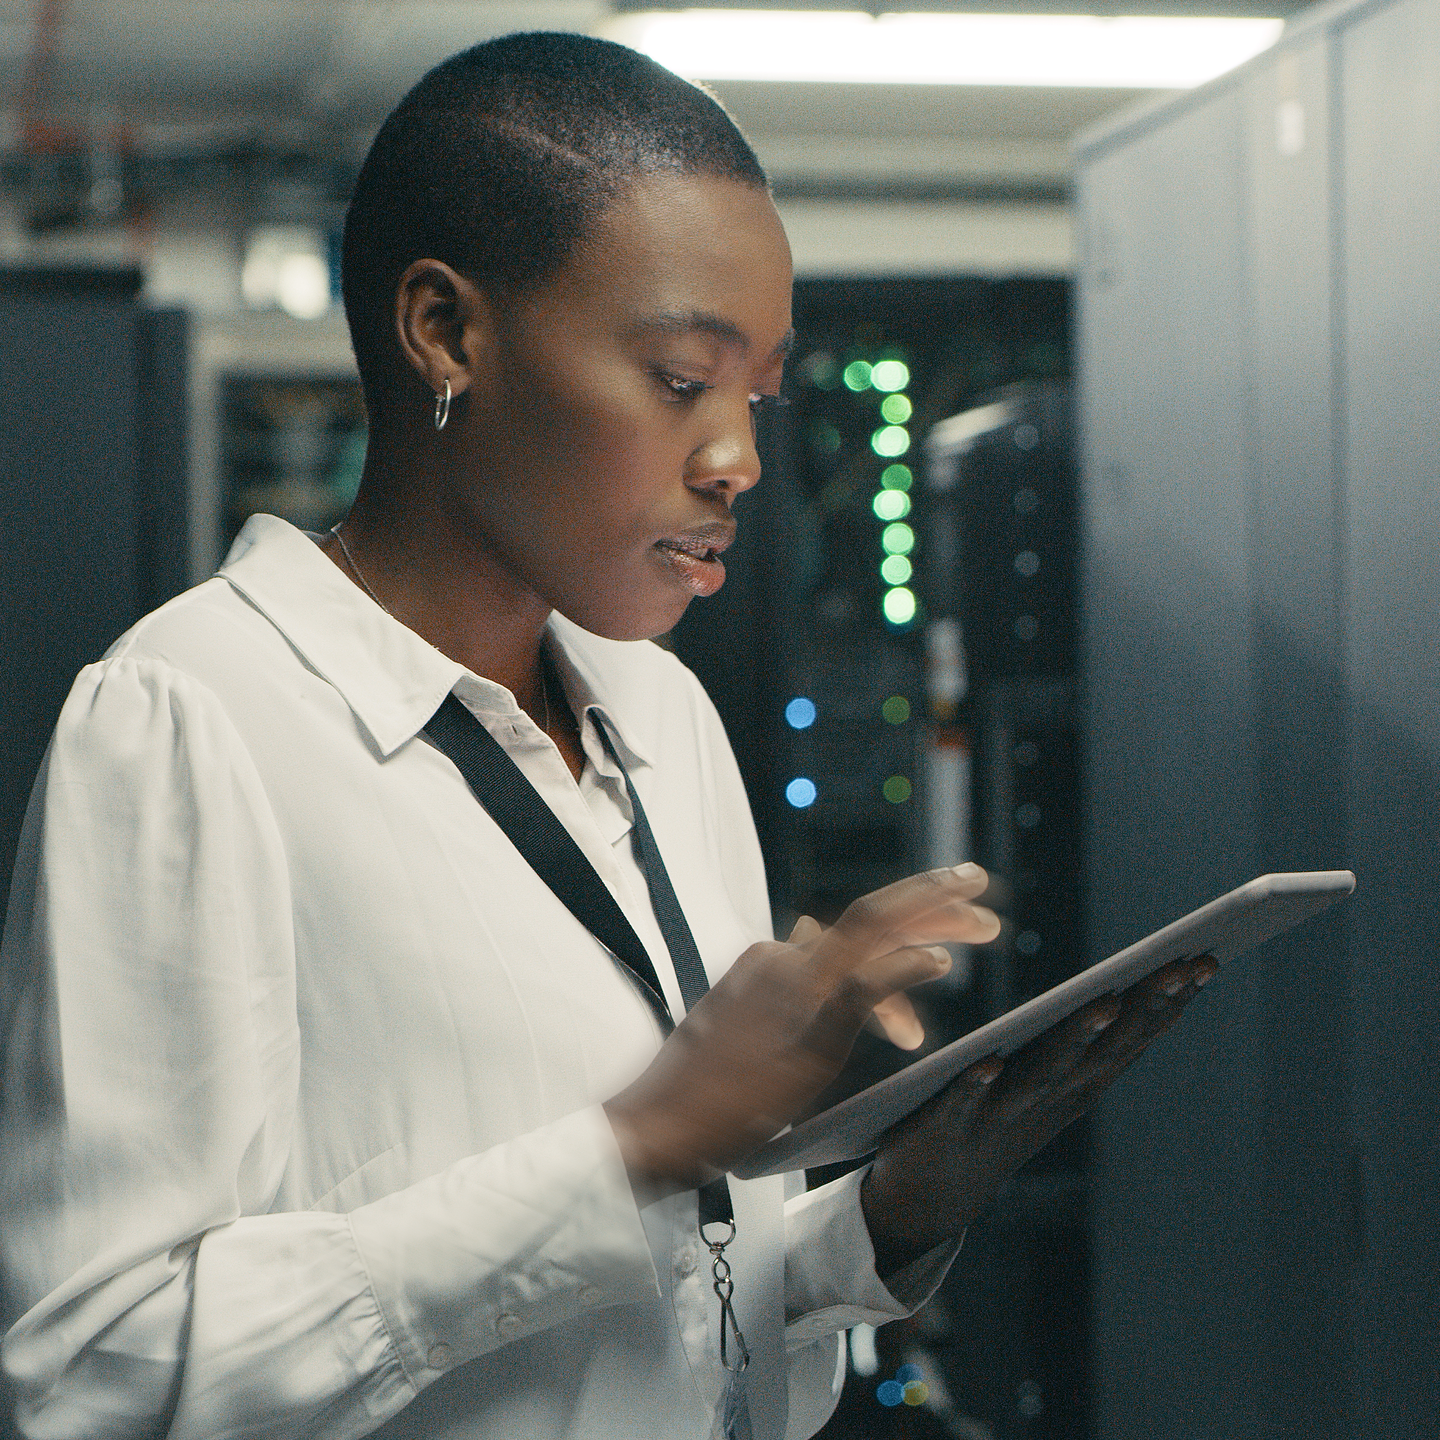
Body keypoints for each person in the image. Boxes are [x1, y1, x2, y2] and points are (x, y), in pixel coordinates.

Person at [0, 31, 1215, 1440]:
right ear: (447, 333)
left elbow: (681, 1319)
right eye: (680, 381)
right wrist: (630, 1150)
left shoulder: (657, 711)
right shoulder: (195, 718)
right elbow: (90, 1377)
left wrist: (878, 1222)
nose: (740, 461)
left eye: (756, 396)